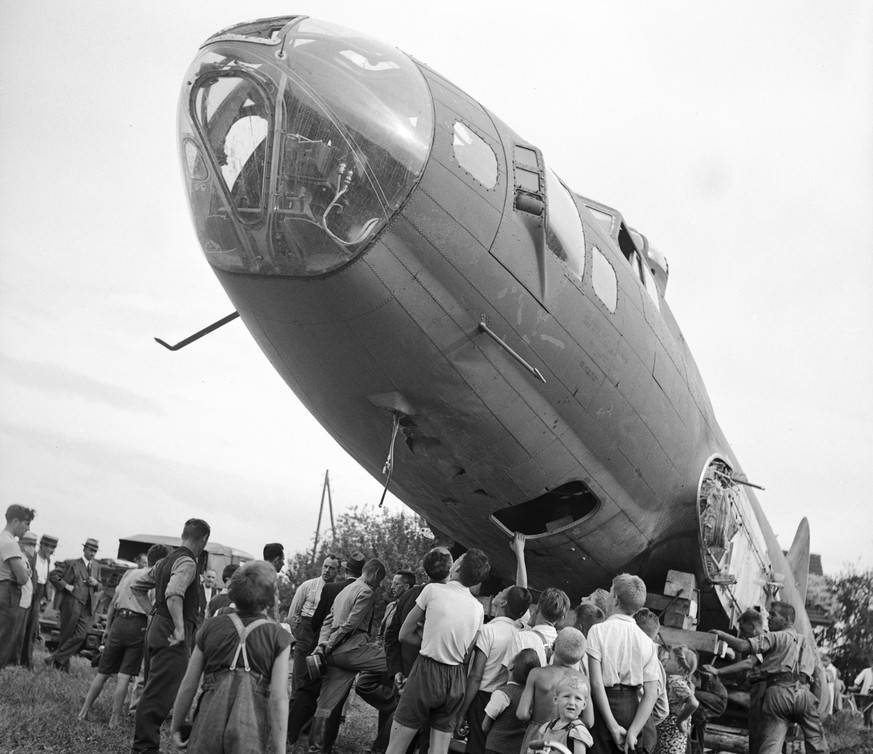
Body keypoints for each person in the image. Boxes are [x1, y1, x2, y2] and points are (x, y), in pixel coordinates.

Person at [169, 560, 292, 753]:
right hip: (249, 735)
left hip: (206, 729)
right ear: (270, 598)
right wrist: (279, 750)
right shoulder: (279, 637)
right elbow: (279, 699)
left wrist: (176, 725)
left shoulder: (210, 627)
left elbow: (188, 684)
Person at [385, 548, 491, 754]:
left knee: (396, 747)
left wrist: (430, 639)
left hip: (427, 670)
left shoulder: (432, 591)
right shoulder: (478, 609)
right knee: (439, 750)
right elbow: (467, 653)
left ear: (457, 567)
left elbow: (403, 634)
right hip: (456, 678)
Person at [130, 517, 211, 754]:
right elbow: (174, 593)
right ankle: (144, 747)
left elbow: (138, 586)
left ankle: (144, 744)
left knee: (154, 686)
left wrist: (152, 613)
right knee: (159, 693)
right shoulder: (188, 562)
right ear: (204, 539)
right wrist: (177, 627)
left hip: (157, 626)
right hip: (171, 632)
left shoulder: (165, 561)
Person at [708, 601, 827, 754]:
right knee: (817, 745)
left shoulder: (774, 637)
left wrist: (721, 634)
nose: (768, 618)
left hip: (777, 692)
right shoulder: (809, 645)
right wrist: (814, 704)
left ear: (787, 619)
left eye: (773, 615)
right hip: (805, 694)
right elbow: (817, 679)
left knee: (768, 746)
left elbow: (745, 651)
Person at [78, 544, 170, 728]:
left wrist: (108, 629)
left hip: (119, 622)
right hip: (138, 626)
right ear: (161, 562)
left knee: (103, 671)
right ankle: (114, 719)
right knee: (124, 675)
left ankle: (83, 712)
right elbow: (153, 610)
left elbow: (113, 602)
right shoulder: (155, 581)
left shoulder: (129, 574)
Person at [305, 558, 389, 754]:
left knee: (325, 704)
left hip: (333, 655)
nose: (380, 584)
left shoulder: (344, 591)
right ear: (376, 574)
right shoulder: (367, 592)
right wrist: (331, 643)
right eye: (381, 579)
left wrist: (322, 646)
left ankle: (315, 749)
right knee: (395, 660)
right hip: (352, 651)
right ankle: (396, 706)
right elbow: (350, 624)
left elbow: (328, 621)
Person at [287, 551, 366, 750]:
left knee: (307, 689)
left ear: (345, 569)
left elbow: (317, 620)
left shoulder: (331, 589)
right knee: (335, 699)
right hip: (347, 652)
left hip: (322, 646)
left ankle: (291, 733)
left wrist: (319, 639)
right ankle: (324, 744)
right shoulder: (366, 593)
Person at [382, 546, 455, 754]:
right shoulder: (454, 601)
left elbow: (391, 636)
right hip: (433, 680)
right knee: (425, 738)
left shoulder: (410, 595)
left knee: (401, 734)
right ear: (450, 570)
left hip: (406, 675)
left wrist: (397, 670)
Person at [586, 573, 660, 754]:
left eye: (610, 592)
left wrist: (612, 726)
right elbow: (651, 694)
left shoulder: (598, 630)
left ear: (616, 599)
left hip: (602, 708)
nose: (609, 596)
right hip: (631, 709)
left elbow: (595, 683)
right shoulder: (647, 643)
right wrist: (633, 732)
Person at [458, 584, 533, 754]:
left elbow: (476, 676)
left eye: (501, 591)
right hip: (508, 698)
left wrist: (462, 711)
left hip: (482, 699)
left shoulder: (488, 631)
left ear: (503, 603)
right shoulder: (520, 634)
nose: (498, 591)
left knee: (476, 746)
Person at [701, 608, 767, 754]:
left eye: (744, 630)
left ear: (753, 627)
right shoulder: (762, 643)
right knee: (755, 732)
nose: (744, 635)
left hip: (762, 690)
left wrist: (718, 671)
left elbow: (747, 661)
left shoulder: (765, 642)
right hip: (757, 690)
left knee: (758, 732)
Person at [518, 626, 592, 754]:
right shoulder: (583, 680)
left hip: (538, 733)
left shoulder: (536, 674)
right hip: (565, 737)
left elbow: (522, 714)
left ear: (553, 646)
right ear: (580, 657)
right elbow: (589, 721)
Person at [287, 553, 341, 698]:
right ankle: (294, 708)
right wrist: (298, 633)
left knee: (317, 674)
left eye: (332, 568)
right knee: (299, 673)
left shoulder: (339, 590)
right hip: (305, 631)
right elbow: (293, 613)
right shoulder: (308, 586)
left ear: (338, 572)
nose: (327, 570)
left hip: (324, 634)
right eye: (325, 566)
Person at [46, 537, 102, 671]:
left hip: (87, 607)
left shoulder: (96, 567)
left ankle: (53, 658)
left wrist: (96, 583)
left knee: (81, 636)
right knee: (66, 634)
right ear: (84, 549)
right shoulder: (71, 563)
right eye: (90, 550)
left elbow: (100, 587)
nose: (92, 553)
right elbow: (53, 575)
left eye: (95, 551)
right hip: (71, 603)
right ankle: (62, 665)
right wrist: (66, 586)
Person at [482, 648, 540, 754]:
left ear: (511, 666)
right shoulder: (531, 696)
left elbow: (485, 726)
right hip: (517, 749)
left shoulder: (502, 693)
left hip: (495, 747)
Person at [0, 505, 35, 669]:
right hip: (8, 592)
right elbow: (21, 579)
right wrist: (26, 571)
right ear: (15, 521)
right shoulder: (11, 544)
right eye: (26, 524)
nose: (27, 529)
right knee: (5, 636)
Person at [527, 674, 595, 754]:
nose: (572, 702)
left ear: (584, 705)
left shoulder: (578, 732)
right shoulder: (547, 727)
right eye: (566, 696)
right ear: (556, 699)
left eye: (578, 698)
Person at [653, 646, 698, 754]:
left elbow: (693, 703)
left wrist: (680, 721)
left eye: (670, 659)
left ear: (679, 667)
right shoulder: (683, 681)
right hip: (670, 735)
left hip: (670, 736)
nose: (666, 661)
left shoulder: (676, 682)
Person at [632, 608, 669, 729]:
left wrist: (641, 724)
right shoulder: (655, 662)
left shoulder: (651, 663)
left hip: (639, 725)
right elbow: (663, 711)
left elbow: (660, 710)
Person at [12, 531, 37, 667]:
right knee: (16, 633)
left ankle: (22, 661)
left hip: (32, 600)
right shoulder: (23, 558)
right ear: (26, 546)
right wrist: (64, 583)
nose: (51, 550)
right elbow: (55, 576)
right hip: (21, 600)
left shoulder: (43, 561)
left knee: (25, 633)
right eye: (33, 545)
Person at [851, 657, 873, 727]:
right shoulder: (866, 671)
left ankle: (870, 724)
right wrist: (855, 685)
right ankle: (867, 724)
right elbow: (858, 679)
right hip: (866, 692)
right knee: (866, 708)